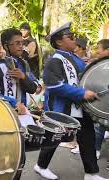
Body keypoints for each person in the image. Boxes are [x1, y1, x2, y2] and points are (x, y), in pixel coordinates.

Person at [34, 22, 107, 180]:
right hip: (61, 109)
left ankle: (91, 173)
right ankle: (40, 166)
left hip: (80, 108)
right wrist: (82, 93)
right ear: (59, 42)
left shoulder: (76, 59)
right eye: (71, 37)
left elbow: (86, 79)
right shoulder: (54, 61)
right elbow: (54, 85)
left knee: (88, 138)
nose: (75, 39)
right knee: (53, 139)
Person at [0, 28, 41, 180]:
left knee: (20, 158)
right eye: (16, 43)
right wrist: (14, 103)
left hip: (22, 118)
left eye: (22, 42)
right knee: (2, 159)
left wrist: (23, 77)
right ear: (6, 45)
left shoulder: (24, 64)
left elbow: (35, 88)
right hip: (4, 118)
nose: (21, 46)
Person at [91, 39, 109, 161]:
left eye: (99, 49)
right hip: (102, 100)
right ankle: (96, 149)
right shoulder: (98, 63)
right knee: (99, 126)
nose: (97, 51)